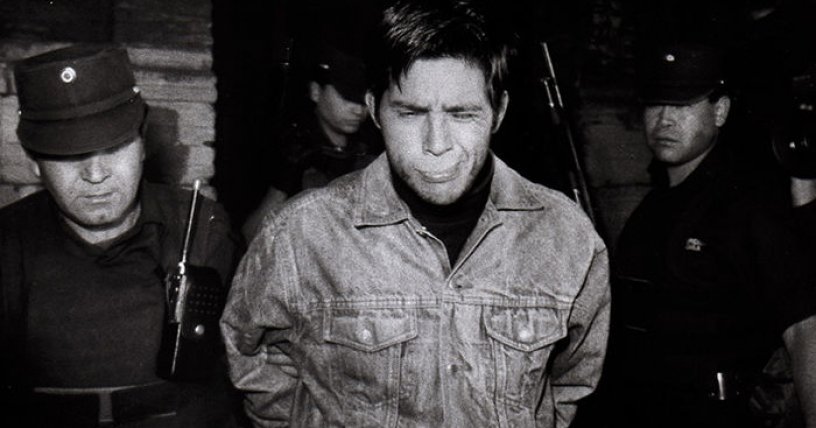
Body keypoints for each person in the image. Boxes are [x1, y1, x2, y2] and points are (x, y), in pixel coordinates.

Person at [221, 0, 610, 426]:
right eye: (410, 113)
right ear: (375, 109)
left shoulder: (567, 237)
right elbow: (251, 357)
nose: (436, 143)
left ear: (498, 112)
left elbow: (571, 385)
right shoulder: (301, 235)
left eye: (462, 114)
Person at [0, 44, 244, 427]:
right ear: (33, 162)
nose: (96, 175)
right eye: (67, 154)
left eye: (114, 146)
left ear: (143, 142)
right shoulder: (8, 246)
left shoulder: (202, 227)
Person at [606, 42, 816, 428]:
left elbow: (805, 330)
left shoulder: (749, 207)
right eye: (655, 104)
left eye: (683, 105)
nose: (664, 120)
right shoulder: (649, 212)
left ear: (720, 111)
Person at [241, 38, 383, 241]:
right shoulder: (283, 150)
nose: (358, 109)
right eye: (347, 97)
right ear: (316, 92)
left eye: (363, 101)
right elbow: (252, 235)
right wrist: (283, 183)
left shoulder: (370, 153)